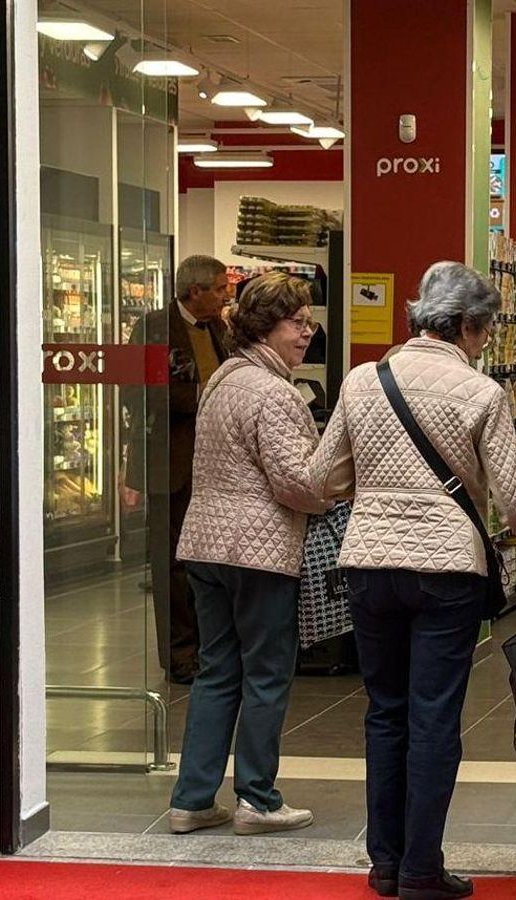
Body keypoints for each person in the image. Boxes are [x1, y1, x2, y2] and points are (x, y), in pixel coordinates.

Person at [311, 261, 516, 900]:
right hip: (446, 570)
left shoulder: (361, 380)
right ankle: (422, 870)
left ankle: (384, 862)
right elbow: (514, 500)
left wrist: (375, 489)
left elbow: (322, 478)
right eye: (483, 330)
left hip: (369, 564)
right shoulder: (481, 393)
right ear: (464, 325)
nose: (485, 341)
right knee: (433, 717)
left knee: (385, 712)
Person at [166, 272, 326, 836]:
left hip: (205, 543)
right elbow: (295, 483)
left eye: (308, 322)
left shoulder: (223, 380)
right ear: (266, 326)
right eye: (296, 322)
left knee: (216, 672)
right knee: (265, 673)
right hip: (258, 551)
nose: (307, 333)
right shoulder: (274, 392)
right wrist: (335, 484)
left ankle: (192, 798)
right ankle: (258, 798)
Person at [122, 255, 233, 684]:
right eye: (220, 288)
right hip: (169, 465)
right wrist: (202, 394)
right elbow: (138, 393)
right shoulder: (152, 328)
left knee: (208, 562)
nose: (226, 295)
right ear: (196, 291)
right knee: (170, 564)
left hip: (214, 465)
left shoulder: (220, 328)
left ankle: (209, 646)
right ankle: (179, 654)